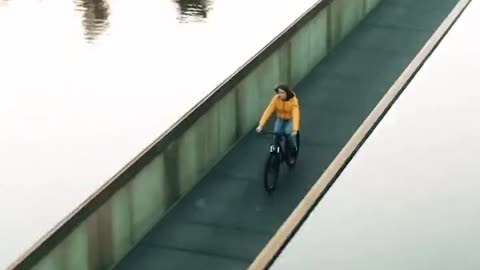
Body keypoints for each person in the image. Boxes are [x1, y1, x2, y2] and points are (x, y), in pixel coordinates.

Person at [256, 84, 300, 155]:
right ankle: (275, 151)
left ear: (287, 93)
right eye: (279, 92)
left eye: (283, 93)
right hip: (281, 118)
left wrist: (295, 130)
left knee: (288, 133)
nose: (280, 95)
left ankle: (294, 148)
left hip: (290, 119)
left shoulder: (293, 100)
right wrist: (261, 125)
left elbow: (296, 114)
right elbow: (268, 110)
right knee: (276, 133)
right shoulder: (276, 99)